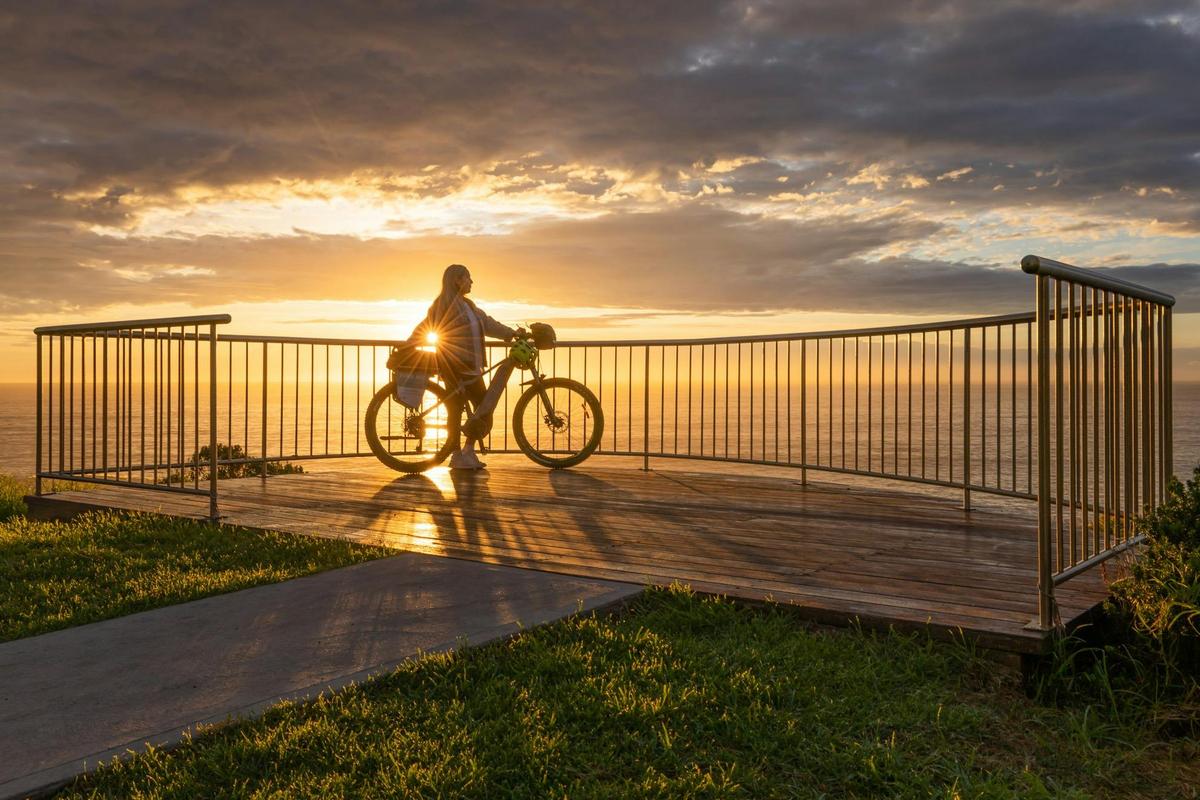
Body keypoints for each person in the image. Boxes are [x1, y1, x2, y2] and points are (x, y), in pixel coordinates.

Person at [409, 264, 521, 470]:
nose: (472, 282)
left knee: (483, 411)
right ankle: (457, 455)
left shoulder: (468, 304)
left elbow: (487, 323)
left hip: (472, 368)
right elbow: (427, 326)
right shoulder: (442, 305)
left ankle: (467, 452)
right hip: (454, 368)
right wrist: (408, 344)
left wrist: (510, 333)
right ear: (457, 281)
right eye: (468, 278)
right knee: (457, 411)